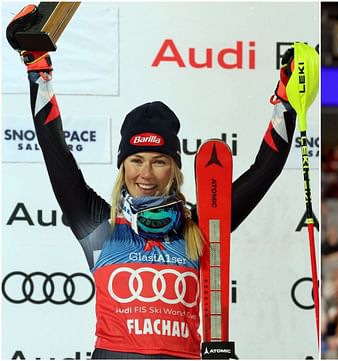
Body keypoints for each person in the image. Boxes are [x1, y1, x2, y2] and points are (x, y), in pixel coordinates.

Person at [8, 5, 300, 359]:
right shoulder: (102, 226)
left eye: (159, 162)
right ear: (123, 166)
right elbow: (55, 152)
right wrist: (39, 71)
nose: (145, 174)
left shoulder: (202, 226)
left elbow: (264, 170)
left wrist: (287, 101)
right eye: (136, 161)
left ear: (174, 169)